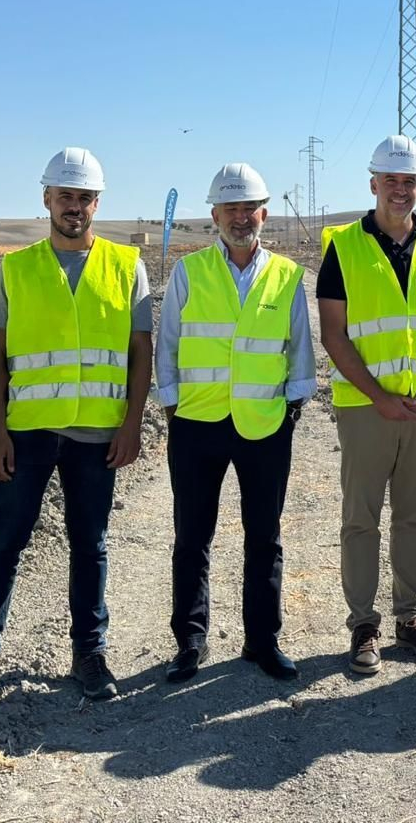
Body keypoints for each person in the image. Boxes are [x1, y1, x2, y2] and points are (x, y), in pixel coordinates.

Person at [0, 147, 153, 703]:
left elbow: (141, 350)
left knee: (90, 544)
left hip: (97, 435)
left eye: (85, 197)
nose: (75, 207)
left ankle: (89, 654)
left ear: (98, 202)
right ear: (46, 199)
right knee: (6, 541)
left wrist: (132, 423)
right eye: (65, 196)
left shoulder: (125, 266)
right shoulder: (16, 269)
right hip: (29, 433)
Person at [156, 163, 316, 684]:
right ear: (214, 215)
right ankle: (191, 641)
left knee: (264, 537)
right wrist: (173, 406)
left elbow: (299, 349)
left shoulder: (287, 275)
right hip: (197, 423)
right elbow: (170, 342)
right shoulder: (190, 271)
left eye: (250, 208)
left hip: (266, 423)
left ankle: (263, 640)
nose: (241, 217)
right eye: (231, 208)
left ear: (263, 213)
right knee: (191, 536)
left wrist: (292, 407)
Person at [317, 135, 416, 675]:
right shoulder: (344, 247)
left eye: (411, 181)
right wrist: (380, 397)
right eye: (392, 180)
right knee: (361, 519)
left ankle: (411, 616)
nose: (401, 190)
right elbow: (335, 335)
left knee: (415, 518)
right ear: (373, 182)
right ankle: (363, 625)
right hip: (365, 407)